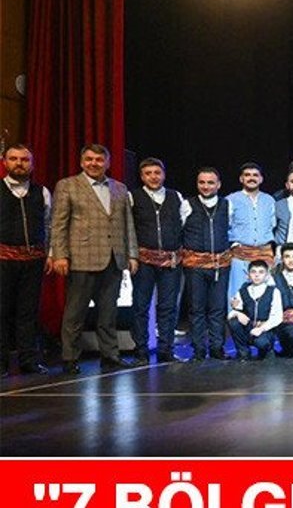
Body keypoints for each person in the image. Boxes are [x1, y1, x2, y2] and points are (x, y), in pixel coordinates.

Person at [48, 144, 137, 374]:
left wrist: (132, 254)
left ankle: (110, 355)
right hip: (81, 258)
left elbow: (128, 224)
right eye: (89, 159)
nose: (94, 163)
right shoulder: (67, 185)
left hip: (113, 258)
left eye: (99, 160)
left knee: (108, 313)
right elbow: (58, 224)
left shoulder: (119, 188)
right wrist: (60, 255)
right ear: (81, 162)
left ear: (107, 163)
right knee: (75, 312)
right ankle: (70, 358)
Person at [128, 157, 186, 363]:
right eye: (148, 173)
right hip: (144, 260)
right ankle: (141, 351)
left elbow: (183, 223)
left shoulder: (176, 196)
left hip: (170, 260)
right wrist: (131, 255)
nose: (153, 177)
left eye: (157, 173)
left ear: (164, 174)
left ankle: (165, 350)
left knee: (168, 307)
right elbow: (128, 228)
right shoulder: (133, 197)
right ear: (142, 176)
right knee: (141, 306)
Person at [0, 143, 52, 375]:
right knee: (1, 311)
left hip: (34, 261)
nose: (19, 164)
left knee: (28, 312)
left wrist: (50, 253)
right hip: (3, 259)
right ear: (5, 162)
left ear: (32, 164)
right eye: (14, 159)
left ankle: (28, 360)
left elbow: (49, 225)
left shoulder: (42, 192)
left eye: (24, 160)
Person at [181, 167, 232, 360]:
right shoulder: (187, 205)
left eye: (211, 182)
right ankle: (199, 349)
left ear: (218, 185)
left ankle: (217, 347)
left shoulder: (227, 205)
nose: (206, 186)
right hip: (195, 266)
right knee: (197, 309)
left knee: (218, 309)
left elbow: (230, 229)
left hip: (220, 265)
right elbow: (180, 230)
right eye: (202, 182)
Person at [226, 162, 277, 303]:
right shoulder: (231, 200)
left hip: (264, 254)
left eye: (255, 175)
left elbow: (272, 224)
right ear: (241, 179)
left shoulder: (269, 200)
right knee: (237, 296)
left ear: (261, 179)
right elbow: (226, 225)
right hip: (240, 255)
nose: (251, 178)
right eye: (247, 175)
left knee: (265, 298)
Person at [227, 259, 282, 360]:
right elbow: (231, 313)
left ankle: (266, 351)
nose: (257, 275)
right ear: (248, 275)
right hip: (249, 326)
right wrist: (237, 313)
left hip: (264, 328)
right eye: (253, 272)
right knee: (234, 322)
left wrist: (261, 329)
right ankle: (243, 352)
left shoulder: (273, 291)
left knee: (262, 342)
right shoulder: (242, 291)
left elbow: (277, 317)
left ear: (266, 275)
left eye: (261, 272)